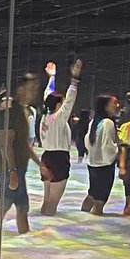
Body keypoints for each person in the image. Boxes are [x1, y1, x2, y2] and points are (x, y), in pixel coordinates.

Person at [0, 72, 41, 235]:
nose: (35, 91)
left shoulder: (24, 110)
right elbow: (5, 143)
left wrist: (41, 164)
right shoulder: (9, 109)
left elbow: (22, 143)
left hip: (17, 167)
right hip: (10, 167)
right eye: (32, 87)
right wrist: (12, 171)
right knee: (5, 204)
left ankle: (22, 242)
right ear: (20, 89)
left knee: (20, 207)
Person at [38, 58, 82, 215]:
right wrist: (74, 79)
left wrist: (52, 77)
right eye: (61, 103)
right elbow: (70, 99)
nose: (64, 105)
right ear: (58, 105)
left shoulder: (46, 117)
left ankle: (39, 230)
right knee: (52, 205)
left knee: (46, 202)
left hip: (47, 158)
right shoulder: (58, 117)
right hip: (58, 159)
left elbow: (47, 94)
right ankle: (44, 235)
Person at [81, 94, 120, 215]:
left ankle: (83, 217)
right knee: (100, 200)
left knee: (92, 194)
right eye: (114, 103)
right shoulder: (108, 123)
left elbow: (88, 142)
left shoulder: (94, 122)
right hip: (104, 165)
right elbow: (108, 147)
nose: (117, 106)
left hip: (92, 163)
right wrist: (120, 148)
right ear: (106, 106)